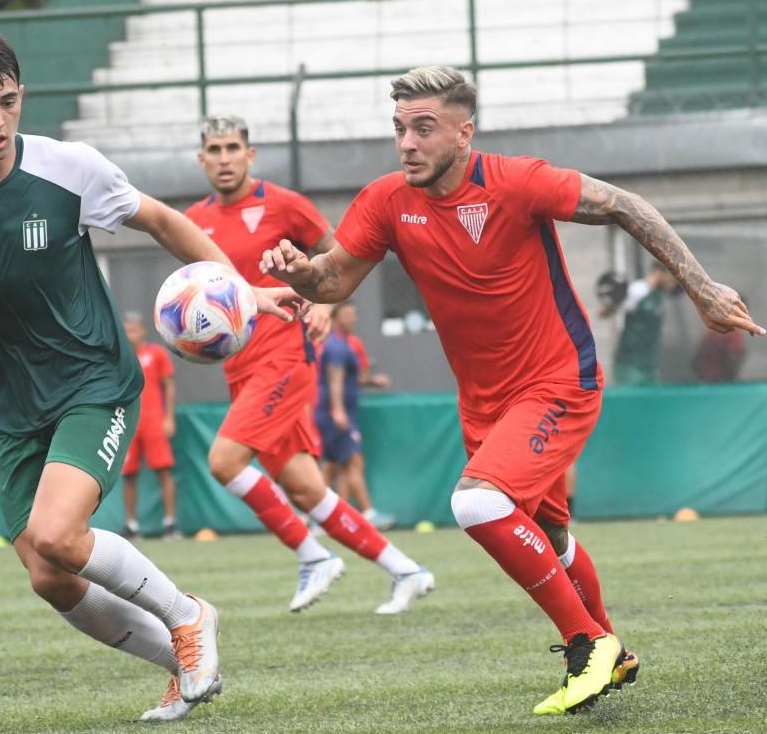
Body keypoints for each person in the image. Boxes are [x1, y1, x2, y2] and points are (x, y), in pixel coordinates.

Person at [0, 30, 305, 724]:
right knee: (49, 574)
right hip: (14, 409)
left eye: (8, 102)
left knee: (59, 534)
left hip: (94, 383)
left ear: (22, 96)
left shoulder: (70, 168)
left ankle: (188, 615)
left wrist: (239, 287)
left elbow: (163, 221)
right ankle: (178, 660)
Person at [261, 65, 763, 714]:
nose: (407, 143)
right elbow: (333, 280)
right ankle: (613, 648)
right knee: (548, 534)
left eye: (423, 128)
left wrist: (702, 288)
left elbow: (624, 204)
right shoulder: (386, 200)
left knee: (475, 502)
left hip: (558, 380)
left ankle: (587, 642)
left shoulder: (516, 181)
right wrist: (299, 271)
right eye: (399, 129)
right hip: (484, 401)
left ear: (464, 132)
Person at [186, 115, 433, 614]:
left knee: (224, 461)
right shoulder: (193, 221)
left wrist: (326, 306)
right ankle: (407, 571)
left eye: (233, 148)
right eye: (214, 149)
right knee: (305, 488)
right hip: (239, 368)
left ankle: (312, 555)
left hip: (285, 356)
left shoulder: (285, 204)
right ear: (202, 159)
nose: (224, 158)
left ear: (250, 155)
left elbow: (344, 256)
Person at [315, 301, 395, 530]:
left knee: (333, 466)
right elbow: (335, 382)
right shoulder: (336, 347)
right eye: (347, 315)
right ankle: (368, 513)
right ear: (335, 318)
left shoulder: (344, 345)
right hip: (336, 414)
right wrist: (339, 411)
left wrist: (373, 381)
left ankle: (319, 517)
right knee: (353, 462)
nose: (352, 320)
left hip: (335, 413)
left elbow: (352, 378)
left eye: (354, 315)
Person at [121, 311, 181, 540]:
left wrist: (169, 417)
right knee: (128, 474)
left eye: (134, 330)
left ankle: (170, 523)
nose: (131, 335)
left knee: (163, 471)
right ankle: (132, 525)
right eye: (127, 330)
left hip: (154, 421)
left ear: (143, 331)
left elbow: (169, 385)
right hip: (129, 424)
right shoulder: (121, 358)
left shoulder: (156, 353)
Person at [603, 261, 678, 385]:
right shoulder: (637, 290)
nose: (673, 281)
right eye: (670, 276)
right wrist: (613, 298)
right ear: (658, 272)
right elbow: (604, 312)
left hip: (650, 364)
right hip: (631, 364)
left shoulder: (659, 295)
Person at [692, 294, 748, 381]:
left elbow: (697, 359)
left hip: (706, 380)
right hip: (722, 382)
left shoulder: (711, 329)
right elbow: (733, 361)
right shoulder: (734, 332)